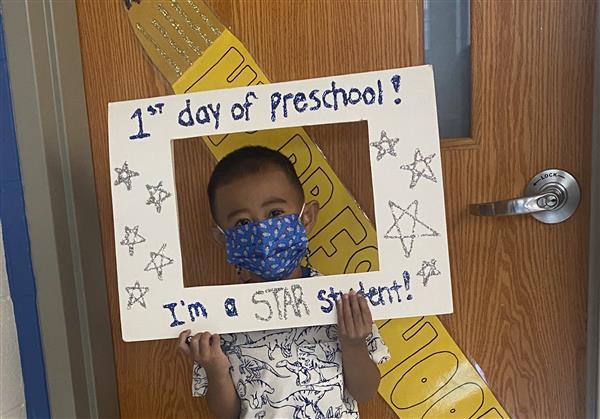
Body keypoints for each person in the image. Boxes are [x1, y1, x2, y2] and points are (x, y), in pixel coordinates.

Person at [178, 146, 390, 418]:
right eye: (242, 223)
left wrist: (353, 344)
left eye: (275, 214)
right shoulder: (219, 320)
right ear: (222, 238)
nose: (263, 233)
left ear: (306, 217)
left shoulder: (341, 304)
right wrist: (215, 368)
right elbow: (227, 415)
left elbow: (365, 392)